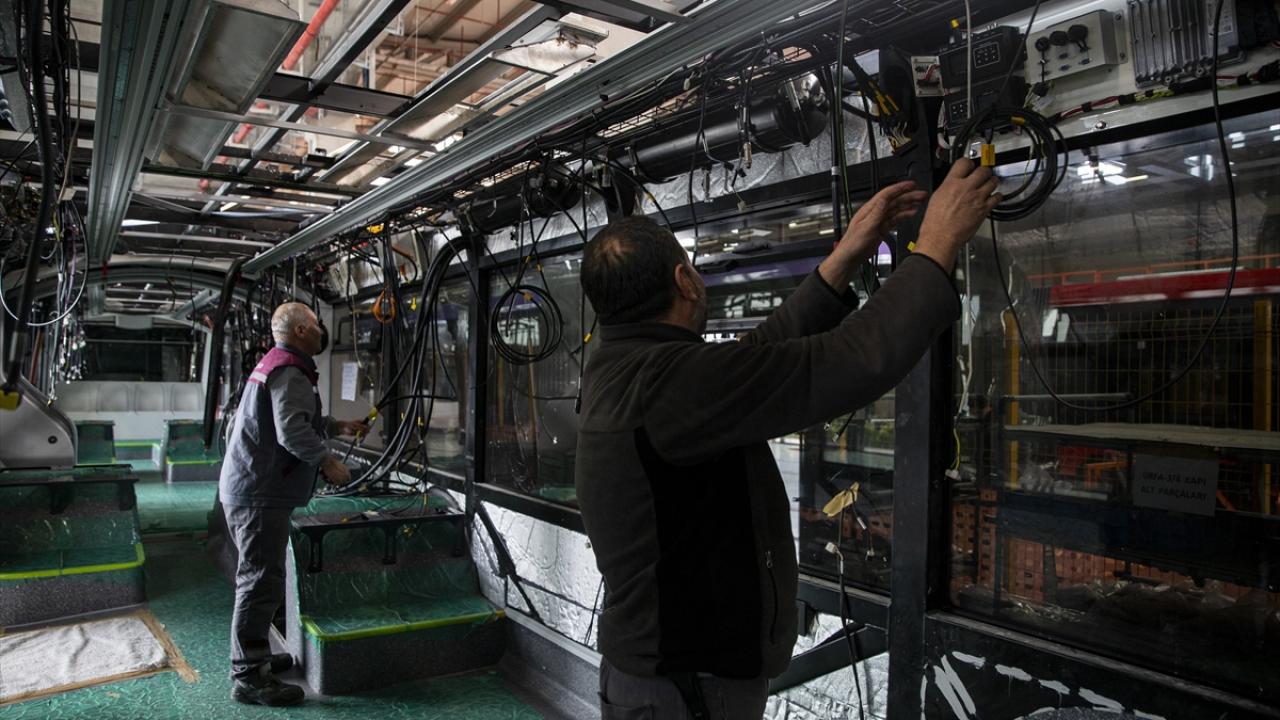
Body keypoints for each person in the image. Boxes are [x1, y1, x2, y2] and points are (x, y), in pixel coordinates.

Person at [575, 158, 1000, 719]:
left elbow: (754, 360)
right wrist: (938, 242)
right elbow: (848, 360)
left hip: (662, 676)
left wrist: (843, 260)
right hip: (689, 687)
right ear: (685, 280)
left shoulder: (623, 368)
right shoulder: (668, 384)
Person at [217, 302, 369, 706]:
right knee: (259, 580)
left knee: (263, 577)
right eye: (316, 324)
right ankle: (249, 675)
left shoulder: (278, 363)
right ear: (300, 330)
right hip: (259, 492)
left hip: (254, 489)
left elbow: (292, 417)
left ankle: (257, 658)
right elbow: (291, 431)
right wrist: (327, 461)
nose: (321, 330)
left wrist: (336, 425)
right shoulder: (290, 369)